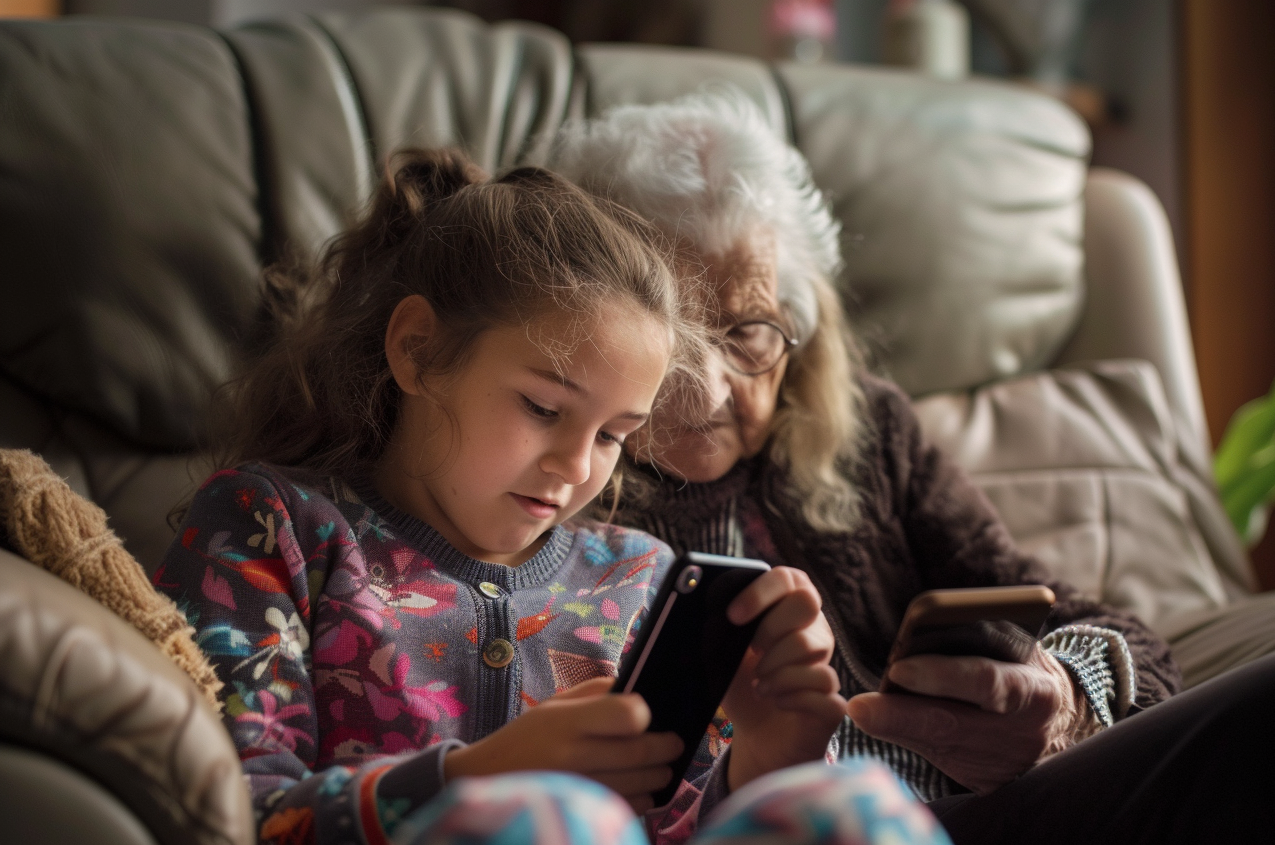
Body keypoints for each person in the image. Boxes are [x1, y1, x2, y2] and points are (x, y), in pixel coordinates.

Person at [550, 92, 1275, 844]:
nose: (717, 383)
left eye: (750, 332)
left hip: (983, 813)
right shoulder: (546, 478)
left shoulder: (868, 430)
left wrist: (1061, 701)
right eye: (681, 337)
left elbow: (1107, 628)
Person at [154, 149, 950, 845]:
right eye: (542, 408)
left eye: (613, 436)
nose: (577, 466)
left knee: (857, 805)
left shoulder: (639, 579)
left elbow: (674, 824)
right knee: (552, 823)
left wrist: (763, 764)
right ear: (419, 350)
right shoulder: (275, 530)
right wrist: (474, 777)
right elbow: (233, 814)